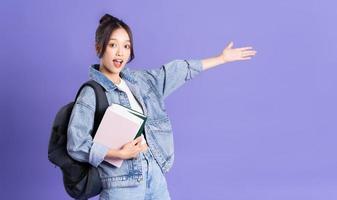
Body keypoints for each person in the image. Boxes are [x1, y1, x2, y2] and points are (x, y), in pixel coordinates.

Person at [67, 13, 256, 200]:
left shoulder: (141, 82)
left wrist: (221, 58)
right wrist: (118, 153)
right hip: (122, 185)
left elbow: (178, 70)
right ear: (98, 47)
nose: (120, 52)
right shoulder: (91, 93)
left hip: (155, 176)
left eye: (126, 46)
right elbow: (76, 144)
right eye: (112, 45)